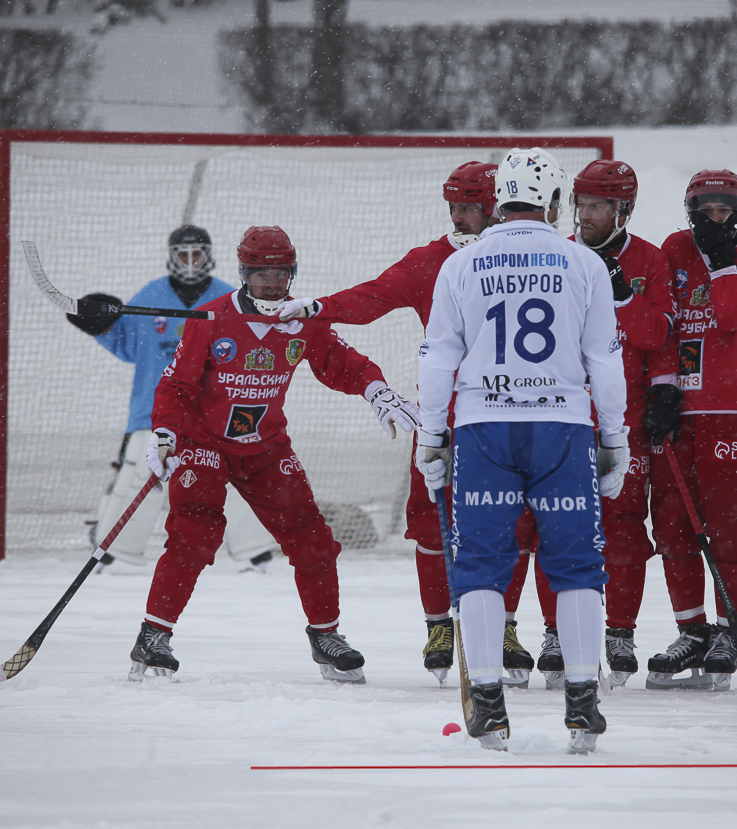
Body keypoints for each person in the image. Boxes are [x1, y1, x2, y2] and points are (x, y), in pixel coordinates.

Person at [276, 161, 539, 688]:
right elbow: (372, 297)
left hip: (513, 414)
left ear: (496, 208)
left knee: (516, 523)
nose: (459, 217)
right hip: (444, 415)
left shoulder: (528, 256)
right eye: (454, 207)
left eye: (470, 207)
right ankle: (439, 627)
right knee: (430, 521)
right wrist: (317, 307)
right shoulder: (431, 261)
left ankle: (505, 628)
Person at [128, 225, 420, 684]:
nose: (272, 283)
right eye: (262, 274)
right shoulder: (211, 318)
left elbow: (343, 363)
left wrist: (375, 389)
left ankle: (326, 635)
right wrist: (164, 432)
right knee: (194, 537)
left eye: (281, 274)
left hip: (266, 448)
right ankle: (153, 635)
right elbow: (176, 383)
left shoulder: (301, 319)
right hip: (205, 445)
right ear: (244, 274)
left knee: (313, 538)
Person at [416, 147, 627, 753]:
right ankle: (582, 704)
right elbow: (603, 359)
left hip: (483, 427)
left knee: (481, 562)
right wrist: (615, 437)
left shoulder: (460, 264)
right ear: (554, 201)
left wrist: (431, 434)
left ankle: (487, 704)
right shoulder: (584, 262)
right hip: (563, 427)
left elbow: (438, 358)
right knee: (577, 563)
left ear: (498, 199)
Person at [529, 159, 680, 690]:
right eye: (582, 204)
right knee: (555, 526)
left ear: (624, 210)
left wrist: (664, 389)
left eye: (598, 206)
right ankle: (556, 632)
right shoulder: (559, 255)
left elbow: (657, 334)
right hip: (564, 416)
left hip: (625, 421)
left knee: (623, 528)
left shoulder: (649, 260)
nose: (586, 215)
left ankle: (619, 631)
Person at [66, 225, 273, 571]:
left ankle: (257, 553)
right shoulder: (150, 296)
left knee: (234, 478)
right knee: (140, 478)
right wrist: (100, 321)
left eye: (197, 255)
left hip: (215, 416)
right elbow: (126, 343)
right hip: (153, 413)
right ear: (172, 257)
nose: (190, 262)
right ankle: (114, 556)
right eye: (183, 255)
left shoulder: (230, 300)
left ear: (208, 256)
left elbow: (254, 353)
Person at [646, 169, 737, 691]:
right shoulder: (674, 249)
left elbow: (730, 317)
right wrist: (662, 387)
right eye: (705, 209)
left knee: (731, 526)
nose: (715, 217)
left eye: (725, 209)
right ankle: (692, 631)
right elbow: (664, 325)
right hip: (678, 410)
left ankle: (729, 632)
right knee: (673, 525)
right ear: (690, 211)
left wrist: (723, 262)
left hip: (730, 411)